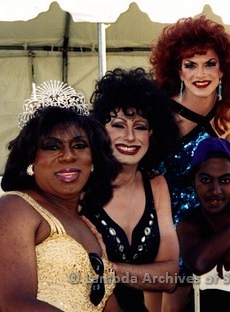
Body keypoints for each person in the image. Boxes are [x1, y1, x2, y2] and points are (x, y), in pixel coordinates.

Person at [0, 96, 121, 310]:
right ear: (31, 160)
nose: (68, 156)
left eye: (79, 145)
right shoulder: (14, 209)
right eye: (52, 147)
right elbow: (17, 305)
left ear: (93, 160)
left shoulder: (86, 225)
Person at [149, 15, 230, 310]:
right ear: (177, 71)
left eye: (209, 63)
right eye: (189, 65)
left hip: (200, 225)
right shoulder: (159, 113)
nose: (200, 73)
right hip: (159, 223)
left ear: (224, 69)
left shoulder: (229, 115)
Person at [85, 67, 181, 311]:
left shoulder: (156, 185)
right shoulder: (81, 183)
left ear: (152, 133)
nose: (129, 136)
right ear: (100, 131)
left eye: (139, 126)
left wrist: (109, 269)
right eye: (118, 125)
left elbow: (169, 277)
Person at [176, 137, 230, 312]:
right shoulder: (190, 222)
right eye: (206, 180)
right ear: (194, 181)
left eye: (225, 180)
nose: (215, 190)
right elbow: (199, 263)